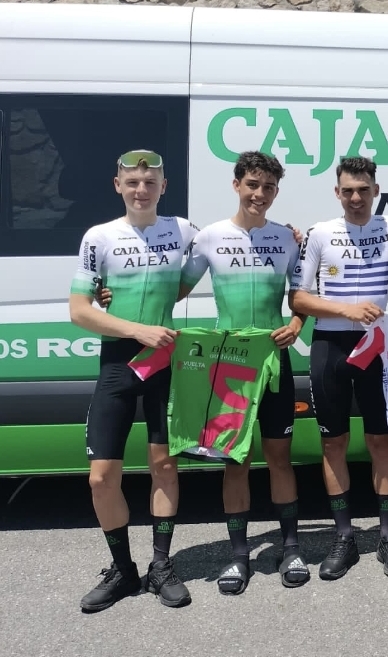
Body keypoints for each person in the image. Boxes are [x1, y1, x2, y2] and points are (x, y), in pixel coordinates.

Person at [179, 150, 308, 595]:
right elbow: (174, 290)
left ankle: (291, 548)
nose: (260, 194)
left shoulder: (287, 239)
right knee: (236, 460)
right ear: (237, 185)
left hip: (274, 360)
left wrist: (297, 324)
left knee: (279, 458)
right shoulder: (210, 237)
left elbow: (301, 295)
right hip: (230, 364)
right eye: (252, 185)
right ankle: (238, 556)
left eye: (269, 187)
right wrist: (108, 294)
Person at [70, 149, 193, 612]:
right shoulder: (98, 236)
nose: (141, 189)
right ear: (117, 185)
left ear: (164, 187)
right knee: (101, 478)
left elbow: (230, 243)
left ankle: (161, 566)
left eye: (150, 182)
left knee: (165, 467)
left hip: (165, 362)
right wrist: (136, 329)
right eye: (133, 182)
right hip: (119, 363)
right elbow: (79, 311)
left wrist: (293, 236)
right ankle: (123, 570)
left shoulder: (184, 230)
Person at [291, 156, 388, 580]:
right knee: (334, 444)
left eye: (363, 190)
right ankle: (344, 536)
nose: (356, 198)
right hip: (330, 347)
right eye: (348, 191)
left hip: (378, 348)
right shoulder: (320, 233)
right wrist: (347, 309)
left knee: (381, 442)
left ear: (376, 191)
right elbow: (298, 298)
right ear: (337, 193)